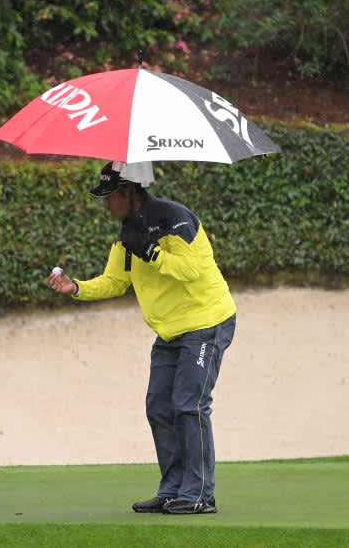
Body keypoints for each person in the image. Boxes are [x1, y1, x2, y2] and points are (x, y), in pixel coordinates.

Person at [48, 162, 236, 515]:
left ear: (128, 192)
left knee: (188, 404)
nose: (104, 205)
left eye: (108, 197)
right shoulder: (127, 233)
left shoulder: (177, 219)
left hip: (206, 322)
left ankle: (199, 494)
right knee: (159, 406)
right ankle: (173, 489)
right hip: (169, 331)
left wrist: (151, 252)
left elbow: (190, 270)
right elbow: (115, 282)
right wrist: (75, 288)